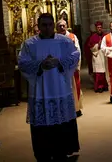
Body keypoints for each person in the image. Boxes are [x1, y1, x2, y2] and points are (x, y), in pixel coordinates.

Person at [18, 13, 81, 161]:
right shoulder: (29, 44)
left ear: (53, 25)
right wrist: (40, 64)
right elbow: (22, 63)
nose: (47, 28)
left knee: (62, 121)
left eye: (50, 25)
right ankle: (43, 153)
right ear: (38, 27)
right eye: (44, 25)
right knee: (42, 125)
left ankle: (63, 151)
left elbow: (74, 55)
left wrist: (58, 62)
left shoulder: (64, 42)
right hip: (40, 91)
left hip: (60, 89)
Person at [56, 19, 84, 117]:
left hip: (72, 67)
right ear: (57, 28)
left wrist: (76, 65)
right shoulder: (55, 38)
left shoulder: (72, 37)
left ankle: (76, 109)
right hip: (61, 68)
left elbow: (77, 51)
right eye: (60, 26)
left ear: (67, 26)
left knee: (74, 87)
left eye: (63, 25)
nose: (62, 27)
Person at [86, 21, 108, 93]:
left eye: (100, 27)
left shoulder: (105, 36)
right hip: (97, 55)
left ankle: (105, 85)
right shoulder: (93, 37)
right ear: (96, 28)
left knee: (105, 71)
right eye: (98, 28)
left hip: (104, 55)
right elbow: (90, 47)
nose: (99, 29)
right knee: (98, 73)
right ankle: (99, 86)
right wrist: (98, 45)